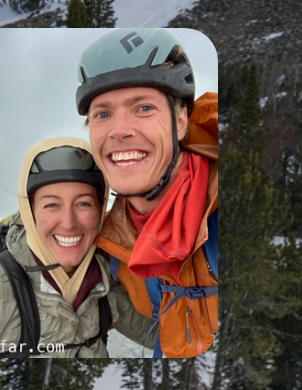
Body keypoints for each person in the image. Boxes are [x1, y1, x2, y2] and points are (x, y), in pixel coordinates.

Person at [79, 28, 218, 358]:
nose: (119, 131)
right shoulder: (109, 248)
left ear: (181, 121)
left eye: (143, 108)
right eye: (103, 114)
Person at [0, 138, 118, 358]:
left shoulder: (105, 277)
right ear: (30, 213)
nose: (68, 223)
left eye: (83, 204)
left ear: (101, 209)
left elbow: (149, 330)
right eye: (51, 205)